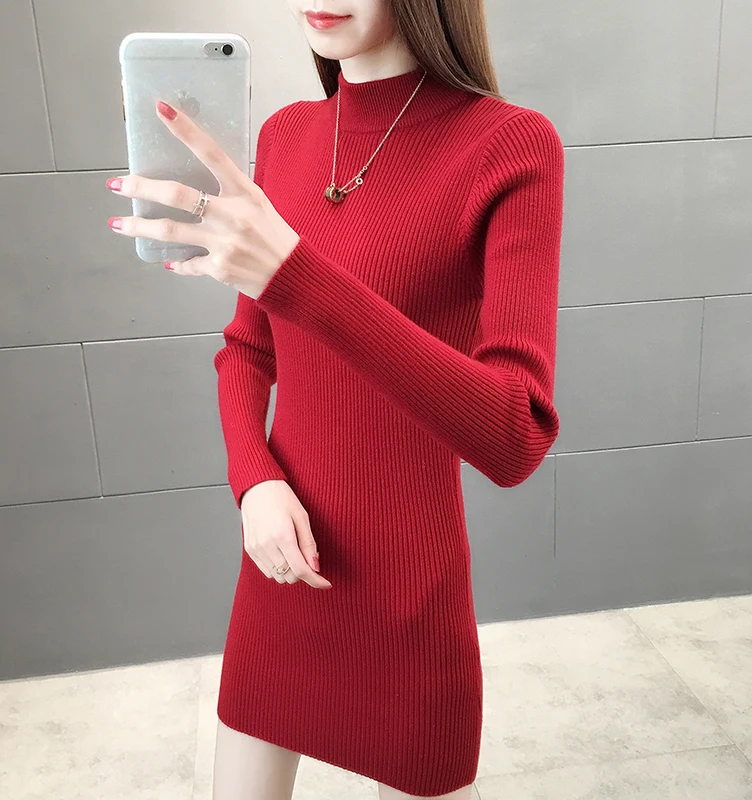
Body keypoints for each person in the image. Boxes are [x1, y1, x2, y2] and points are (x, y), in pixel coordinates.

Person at [108, 1, 561, 797]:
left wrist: (299, 278)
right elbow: (247, 350)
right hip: (283, 562)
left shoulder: (510, 145)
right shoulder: (285, 136)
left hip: (407, 588)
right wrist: (254, 482)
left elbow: (515, 434)